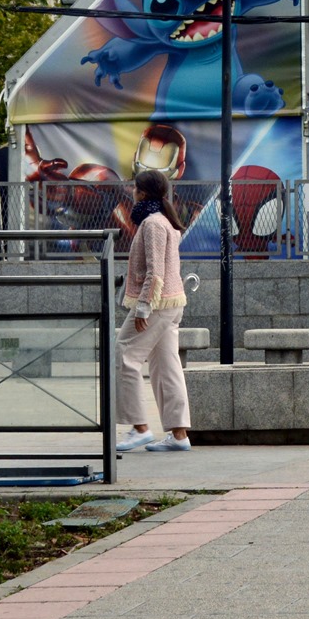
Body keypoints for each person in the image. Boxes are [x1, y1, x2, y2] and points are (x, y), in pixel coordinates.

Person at [116, 169, 193, 453]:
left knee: (124, 354)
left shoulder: (152, 224)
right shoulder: (165, 221)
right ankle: (179, 434)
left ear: (143, 192)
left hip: (158, 305)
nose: (131, 192)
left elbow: (155, 271)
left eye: (134, 188)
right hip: (172, 303)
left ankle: (139, 428)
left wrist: (143, 307)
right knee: (166, 366)